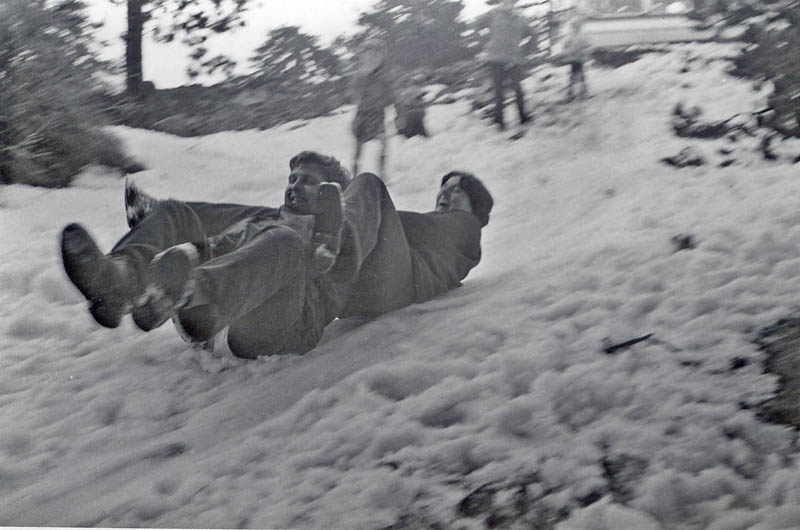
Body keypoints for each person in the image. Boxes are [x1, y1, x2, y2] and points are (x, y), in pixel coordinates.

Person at [63, 153, 493, 359]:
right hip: (253, 318)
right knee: (185, 214)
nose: (446, 192)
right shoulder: (284, 223)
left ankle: (192, 287)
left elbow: (383, 213)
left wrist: (341, 212)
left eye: (457, 189)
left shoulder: (464, 230)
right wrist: (162, 227)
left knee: (368, 187)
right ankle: (121, 280)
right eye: (444, 186)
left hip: (390, 284)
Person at [480, 0, 534, 131]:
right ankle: (500, 122)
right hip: (496, 59)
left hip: (513, 60)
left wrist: (525, 51)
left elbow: (532, 34)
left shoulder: (519, 18)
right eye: (507, 2)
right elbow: (477, 26)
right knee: (499, 93)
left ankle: (523, 118)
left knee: (518, 91)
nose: (509, 4)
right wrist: (486, 44)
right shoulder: (493, 14)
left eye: (512, 2)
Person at [351, 36, 395, 178]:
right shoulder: (360, 76)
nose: (372, 58)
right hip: (363, 115)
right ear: (363, 56)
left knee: (383, 142)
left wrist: (388, 101)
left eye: (376, 54)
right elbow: (356, 95)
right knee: (359, 146)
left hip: (378, 115)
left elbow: (389, 94)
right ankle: (354, 172)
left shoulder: (383, 76)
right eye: (368, 54)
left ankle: (382, 172)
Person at [561, 14, 590, 102]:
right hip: (573, 58)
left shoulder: (582, 36)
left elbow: (587, 46)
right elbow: (565, 46)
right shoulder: (570, 36)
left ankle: (576, 93)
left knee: (577, 75)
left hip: (579, 58)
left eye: (577, 26)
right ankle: (576, 93)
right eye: (574, 26)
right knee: (576, 75)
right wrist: (568, 53)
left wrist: (584, 52)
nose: (576, 28)